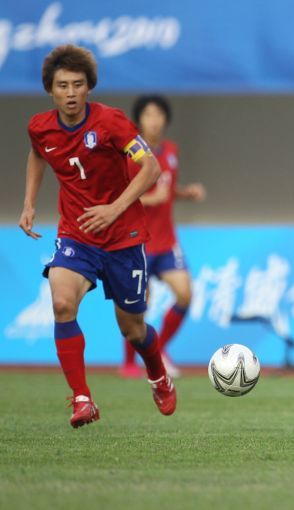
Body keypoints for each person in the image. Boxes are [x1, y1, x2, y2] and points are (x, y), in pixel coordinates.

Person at [19, 44, 176, 428]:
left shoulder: (111, 122)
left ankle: (157, 374)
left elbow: (150, 168)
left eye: (78, 84)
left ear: (89, 87)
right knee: (61, 303)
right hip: (77, 235)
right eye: (62, 86)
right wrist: (29, 203)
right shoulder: (40, 127)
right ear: (50, 90)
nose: (71, 93)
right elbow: (38, 153)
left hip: (124, 237)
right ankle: (82, 399)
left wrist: (114, 208)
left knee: (133, 329)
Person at [120, 95, 206, 379]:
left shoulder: (170, 151)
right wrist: (149, 199)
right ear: (138, 120)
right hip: (138, 242)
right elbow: (120, 198)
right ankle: (129, 363)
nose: (154, 121)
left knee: (185, 294)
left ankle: (158, 350)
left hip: (167, 241)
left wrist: (185, 193)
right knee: (137, 304)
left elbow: (166, 190)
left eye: (159, 115)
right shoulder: (131, 154)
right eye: (148, 115)